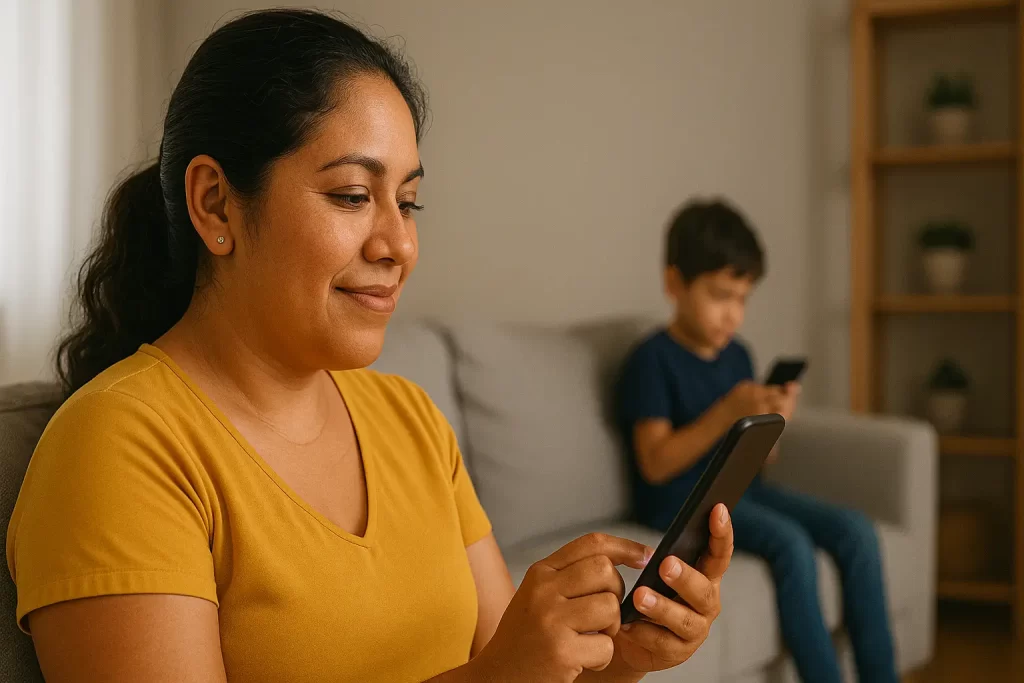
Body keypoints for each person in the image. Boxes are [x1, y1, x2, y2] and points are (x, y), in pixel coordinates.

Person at [6, 10, 734, 683]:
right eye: (354, 195)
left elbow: (516, 664)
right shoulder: (117, 446)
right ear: (215, 204)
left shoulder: (410, 418)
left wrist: (623, 658)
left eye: (408, 202)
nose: (400, 244)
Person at [614, 199, 899, 683]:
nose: (733, 315)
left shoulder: (738, 356)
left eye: (743, 299)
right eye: (721, 296)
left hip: (742, 491)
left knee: (857, 531)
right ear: (674, 284)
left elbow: (762, 459)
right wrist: (727, 411)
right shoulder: (652, 360)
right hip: (680, 501)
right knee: (791, 545)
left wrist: (774, 421)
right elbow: (656, 464)